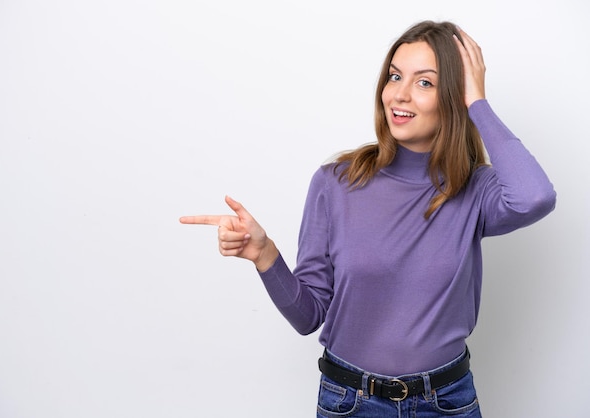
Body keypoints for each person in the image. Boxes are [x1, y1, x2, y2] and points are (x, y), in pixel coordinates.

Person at [179, 20, 556, 418]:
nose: (399, 94)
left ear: (453, 96)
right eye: (395, 76)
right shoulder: (336, 183)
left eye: (425, 83)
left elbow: (536, 196)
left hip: (447, 403)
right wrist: (264, 255)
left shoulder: (474, 190)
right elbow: (309, 317)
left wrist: (477, 102)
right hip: (350, 402)